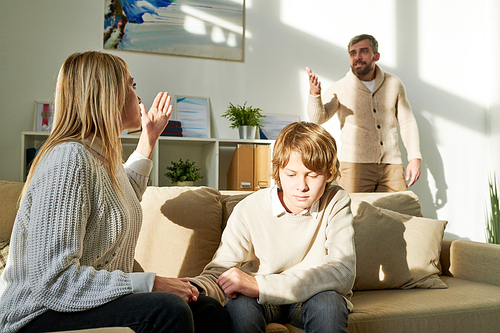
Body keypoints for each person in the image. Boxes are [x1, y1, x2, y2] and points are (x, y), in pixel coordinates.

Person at [0, 51, 230, 333]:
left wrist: (149, 137)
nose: (138, 95)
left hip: (81, 304)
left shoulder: (101, 158)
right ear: (108, 95)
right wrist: (151, 283)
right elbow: (53, 282)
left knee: (207, 310)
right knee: (167, 311)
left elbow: (121, 197)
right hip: (37, 314)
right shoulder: (69, 160)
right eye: (131, 86)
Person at [191, 121, 355, 333]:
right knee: (238, 305)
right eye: (291, 174)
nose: (302, 186)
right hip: (260, 300)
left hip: (312, 296)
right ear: (278, 172)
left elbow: (342, 272)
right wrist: (193, 289)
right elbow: (221, 270)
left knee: (329, 304)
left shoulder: (336, 200)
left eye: (313, 175)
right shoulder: (249, 208)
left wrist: (262, 286)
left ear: (329, 174)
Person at [306, 34, 422, 193]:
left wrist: (414, 158)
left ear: (376, 56)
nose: (357, 57)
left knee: (400, 212)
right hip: (354, 166)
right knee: (354, 214)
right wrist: (314, 95)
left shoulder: (394, 84)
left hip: (391, 165)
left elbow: (407, 121)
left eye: (364, 51)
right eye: (353, 53)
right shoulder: (340, 87)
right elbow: (318, 118)